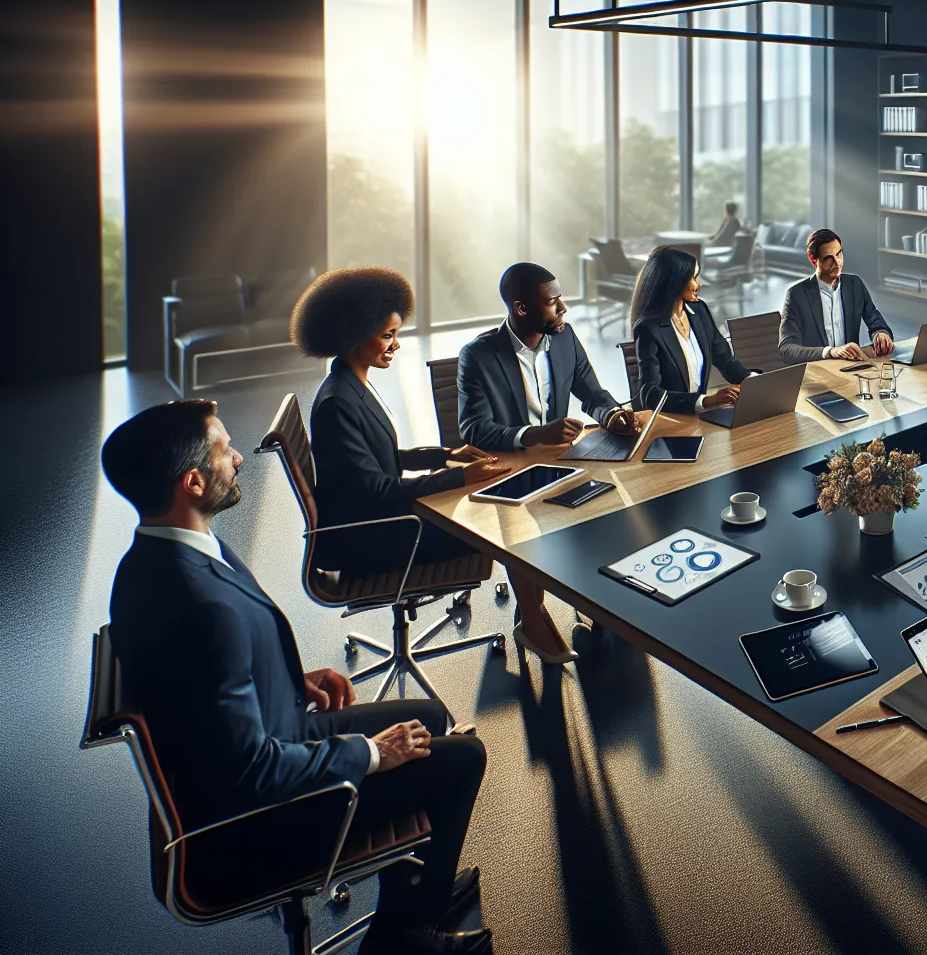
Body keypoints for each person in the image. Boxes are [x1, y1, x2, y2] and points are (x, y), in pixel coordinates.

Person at [103, 400, 493, 954]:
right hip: (254, 820)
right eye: (223, 450)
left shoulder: (157, 555)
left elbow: (202, 685)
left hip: (255, 743)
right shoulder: (196, 605)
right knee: (462, 758)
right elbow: (251, 773)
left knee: (427, 717)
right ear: (192, 481)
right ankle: (401, 937)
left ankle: (412, 891)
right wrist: (372, 753)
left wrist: (287, 679)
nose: (238, 457)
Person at [293, 266, 577, 665]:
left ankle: (532, 616)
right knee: (505, 523)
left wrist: (445, 456)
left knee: (506, 508)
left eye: (396, 334)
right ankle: (532, 619)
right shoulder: (337, 402)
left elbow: (381, 461)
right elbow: (375, 490)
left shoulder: (349, 385)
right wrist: (458, 476)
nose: (395, 346)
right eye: (387, 335)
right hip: (373, 537)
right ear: (352, 334)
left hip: (380, 520)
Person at [457, 262, 648, 454]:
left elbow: (592, 394)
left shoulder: (564, 338)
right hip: (512, 467)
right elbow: (475, 429)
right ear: (522, 309)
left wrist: (612, 416)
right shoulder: (477, 356)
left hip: (559, 460)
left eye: (560, 299)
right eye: (551, 302)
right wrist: (535, 435)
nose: (563, 308)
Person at [631, 246, 753, 414]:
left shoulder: (699, 310)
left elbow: (726, 361)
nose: (698, 284)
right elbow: (651, 395)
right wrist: (707, 401)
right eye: (694, 277)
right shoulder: (648, 328)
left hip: (699, 417)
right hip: (670, 419)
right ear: (676, 280)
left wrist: (753, 381)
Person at [778, 228, 895, 364]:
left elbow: (877, 322)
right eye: (829, 258)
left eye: (839, 254)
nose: (837, 262)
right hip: (819, 372)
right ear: (813, 259)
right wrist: (829, 352)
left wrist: (881, 334)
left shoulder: (855, 285)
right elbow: (786, 350)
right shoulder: (796, 295)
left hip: (852, 369)